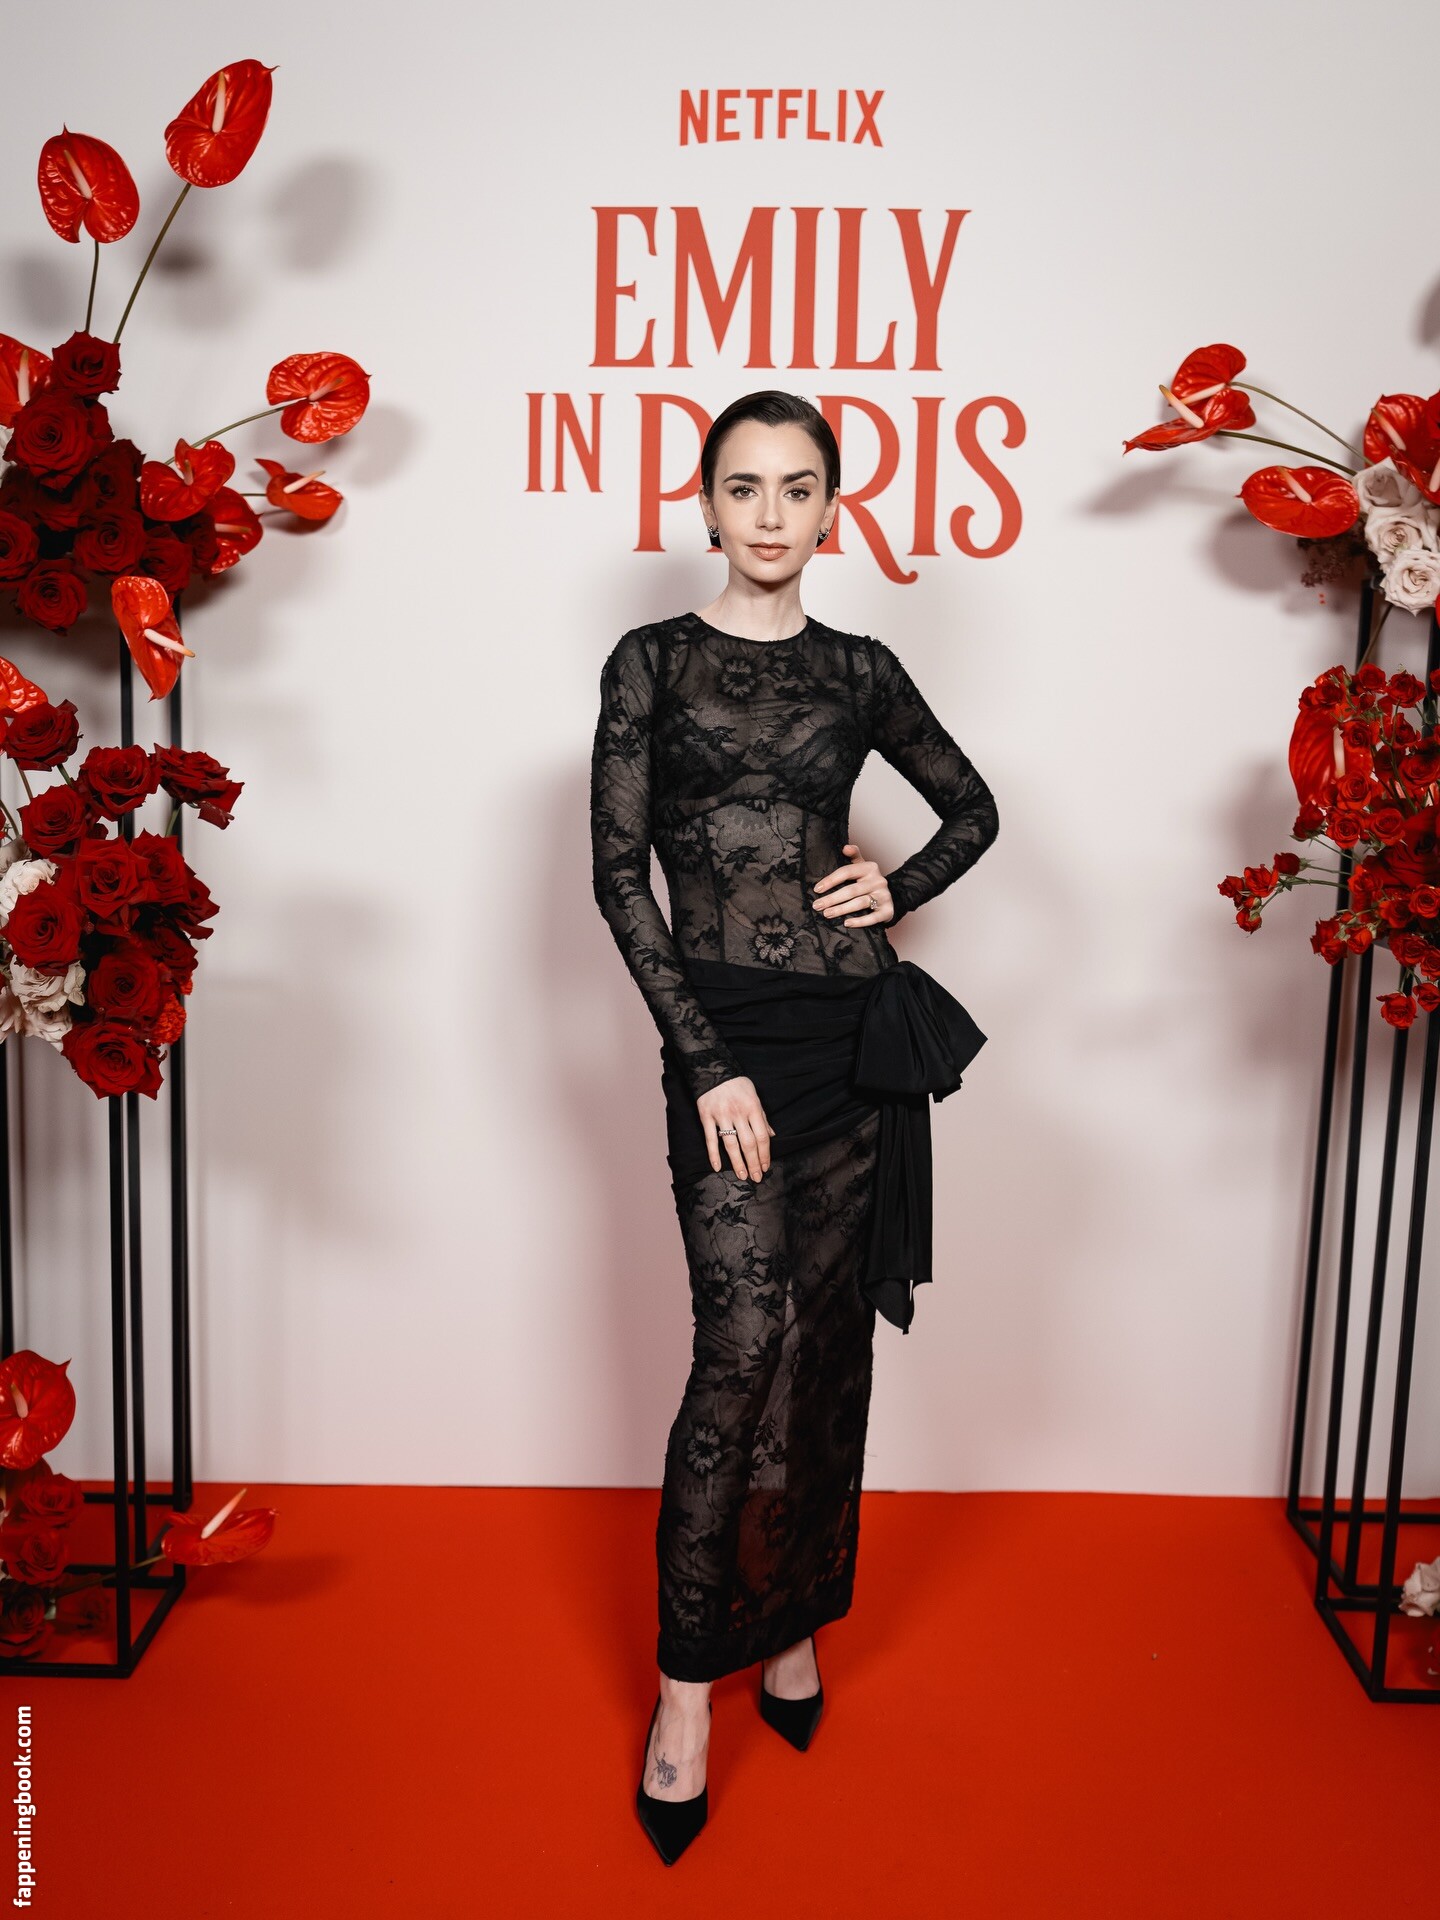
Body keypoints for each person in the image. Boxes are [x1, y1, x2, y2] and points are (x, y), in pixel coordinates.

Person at [589, 389, 1000, 1865]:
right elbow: (619, 879)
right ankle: (683, 1695)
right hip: (726, 1046)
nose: (771, 513)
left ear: (832, 510)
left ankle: (796, 1626)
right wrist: (704, 1063)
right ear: (705, 504)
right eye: (745, 486)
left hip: (845, 1041)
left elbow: (971, 808)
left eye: (799, 487)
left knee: (824, 1350)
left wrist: (897, 885)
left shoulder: (861, 669)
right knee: (741, 1349)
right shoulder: (650, 662)